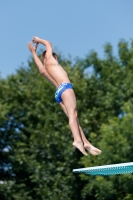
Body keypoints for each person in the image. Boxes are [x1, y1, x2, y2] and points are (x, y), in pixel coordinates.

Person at [27, 36, 101, 156]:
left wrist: (33, 53)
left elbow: (40, 69)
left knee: (73, 118)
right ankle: (77, 140)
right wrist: (39, 40)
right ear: (52, 56)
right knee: (73, 115)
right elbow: (48, 43)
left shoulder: (46, 69)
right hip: (66, 87)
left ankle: (86, 142)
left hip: (58, 93)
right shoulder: (51, 60)